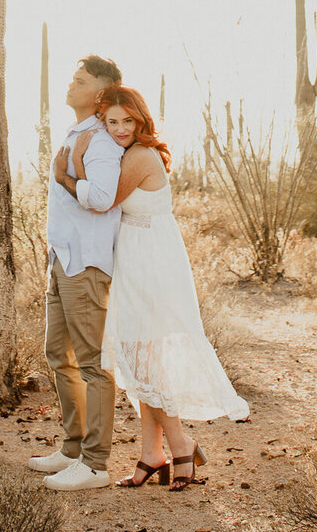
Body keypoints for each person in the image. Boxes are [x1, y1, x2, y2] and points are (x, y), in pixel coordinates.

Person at [55, 85, 248, 491]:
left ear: (141, 121)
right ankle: (150, 453)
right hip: (136, 261)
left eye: (129, 121)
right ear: (103, 120)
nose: (121, 129)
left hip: (152, 264)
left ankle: (180, 444)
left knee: (146, 360)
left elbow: (102, 200)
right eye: (113, 122)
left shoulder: (140, 157)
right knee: (140, 359)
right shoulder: (127, 154)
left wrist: (69, 168)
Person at [28, 53, 125, 492]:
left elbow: (103, 197)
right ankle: (71, 449)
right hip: (62, 259)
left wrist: (68, 177)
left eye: (79, 79)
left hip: (84, 263)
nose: (70, 83)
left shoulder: (101, 141)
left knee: (91, 364)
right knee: (58, 357)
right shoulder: (78, 132)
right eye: (72, 76)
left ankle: (95, 463)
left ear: (100, 93)